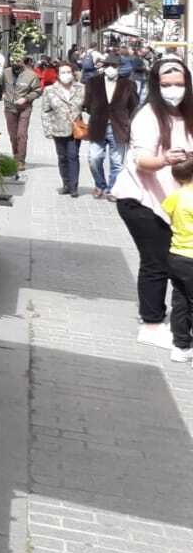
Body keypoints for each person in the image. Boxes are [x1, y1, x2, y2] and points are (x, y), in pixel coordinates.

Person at [113, 56, 193, 349]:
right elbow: (142, 160)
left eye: (179, 83)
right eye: (167, 84)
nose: (174, 90)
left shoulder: (187, 114)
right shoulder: (148, 116)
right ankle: (151, 324)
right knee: (156, 261)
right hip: (141, 201)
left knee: (172, 262)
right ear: (156, 86)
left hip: (172, 202)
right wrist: (165, 159)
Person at [83, 54, 136, 199]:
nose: (111, 68)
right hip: (98, 125)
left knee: (117, 162)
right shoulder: (93, 82)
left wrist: (127, 122)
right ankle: (100, 185)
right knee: (94, 158)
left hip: (118, 127)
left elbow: (133, 106)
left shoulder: (128, 84)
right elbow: (87, 104)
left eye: (114, 66)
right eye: (108, 65)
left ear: (119, 68)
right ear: (104, 66)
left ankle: (113, 189)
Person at [160, 159, 193, 362]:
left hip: (176, 255)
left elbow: (168, 217)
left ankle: (180, 346)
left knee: (180, 302)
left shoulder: (174, 197)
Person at [39, 60, 86, 197]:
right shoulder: (49, 90)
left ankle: (73, 186)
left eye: (68, 72)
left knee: (73, 156)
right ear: (58, 75)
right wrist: (47, 130)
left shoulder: (81, 88)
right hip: (58, 128)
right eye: (63, 72)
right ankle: (66, 182)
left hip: (75, 128)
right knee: (62, 157)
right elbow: (45, 111)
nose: (66, 75)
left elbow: (89, 105)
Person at [2, 56, 42, 170]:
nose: (15, 63)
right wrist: (3, 94)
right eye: (13, 61)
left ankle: (21, 161)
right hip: (9, 108)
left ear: (23, 61)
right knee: (13, 135)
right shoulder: (6, 73)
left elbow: (38, 90)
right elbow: (2, 86)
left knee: (21, 134)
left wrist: (26, 98)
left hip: (24, 108)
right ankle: (15, 157)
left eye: (18, 61)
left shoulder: (31, 75)